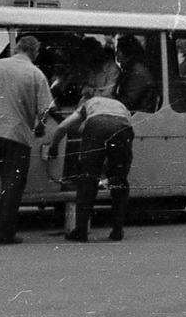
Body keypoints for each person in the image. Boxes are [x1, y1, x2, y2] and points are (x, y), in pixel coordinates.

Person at [0, 34, 54, 245]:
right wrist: (40, 127)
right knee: (12, 185)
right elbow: (45, 110)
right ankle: (5, 233)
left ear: (16, 48)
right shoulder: (36, 74)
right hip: (17, 135)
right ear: (35, 52)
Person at [46, 95, 135, 242]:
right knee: (119, 182)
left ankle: (80, 231)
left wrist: (53, 147)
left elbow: (62, 127)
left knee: (87, 181)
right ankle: (117, 230)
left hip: (96, 125)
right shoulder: (120, 106)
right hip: (123, 127)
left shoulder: (86, 105)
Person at [115, 35, 159, 113]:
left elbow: (127, 101)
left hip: (137, 115)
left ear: (125, 52)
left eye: (118, 51)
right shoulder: (131, 69)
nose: (117, 55)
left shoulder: (138, 72)